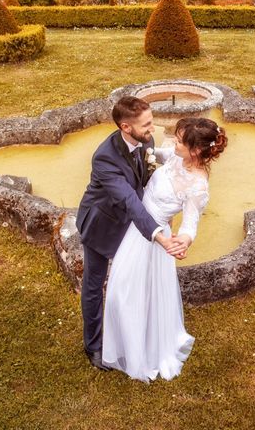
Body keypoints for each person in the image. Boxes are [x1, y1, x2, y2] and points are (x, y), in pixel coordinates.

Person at [102, 117, 227, 382]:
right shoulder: (176, 157)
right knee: (123, 290)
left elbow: (191, 222)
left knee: (126, 291)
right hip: (137, 227)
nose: (173, 143)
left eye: (180, 141)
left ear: (195, 150)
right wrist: (136, 145)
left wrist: (185, 239)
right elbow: (155, 153)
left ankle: (143, 349)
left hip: (154, 240)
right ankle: (128, 338)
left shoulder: (198, 186)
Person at [76, 96, 188, 371]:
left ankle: (135, 334)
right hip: (103, 224)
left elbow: (146, 182)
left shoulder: (146, 141)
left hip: (134, 221)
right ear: (126, 127)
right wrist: (158, 235)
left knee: (134, 278)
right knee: (95, 284)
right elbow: (129, 200)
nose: (153, 128)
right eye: (147, 124)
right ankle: (93, 345)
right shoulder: (105, 158)